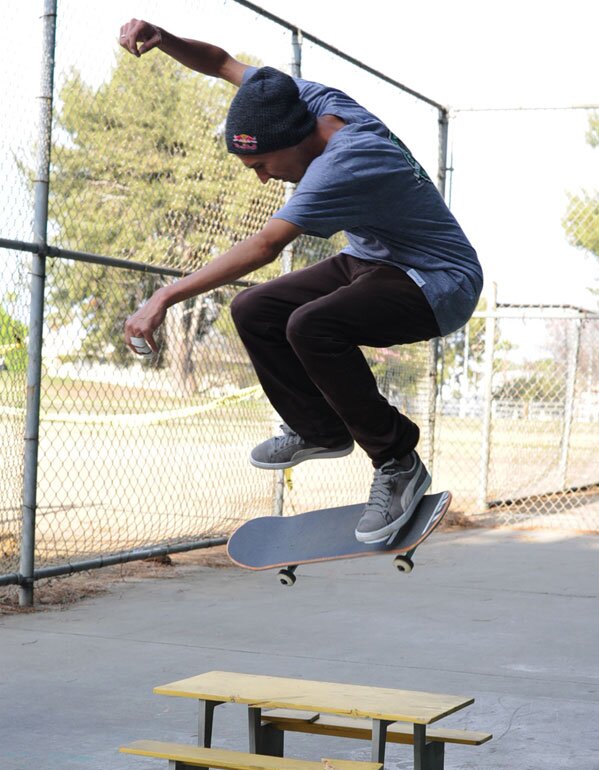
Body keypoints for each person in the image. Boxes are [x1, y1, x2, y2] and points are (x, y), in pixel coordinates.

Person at [120, 19, 483, 543]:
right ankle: (320, 429)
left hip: (439, 283)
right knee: (254, 309)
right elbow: (223, 62)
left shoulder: (344, 163)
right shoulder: (300, 100)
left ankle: (397, 459)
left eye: (263, 165)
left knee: (312, 325)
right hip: (374, 258)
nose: (265, 178)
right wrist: (166, 40)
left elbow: (265, 246)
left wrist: (166, 295)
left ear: (292, 142)